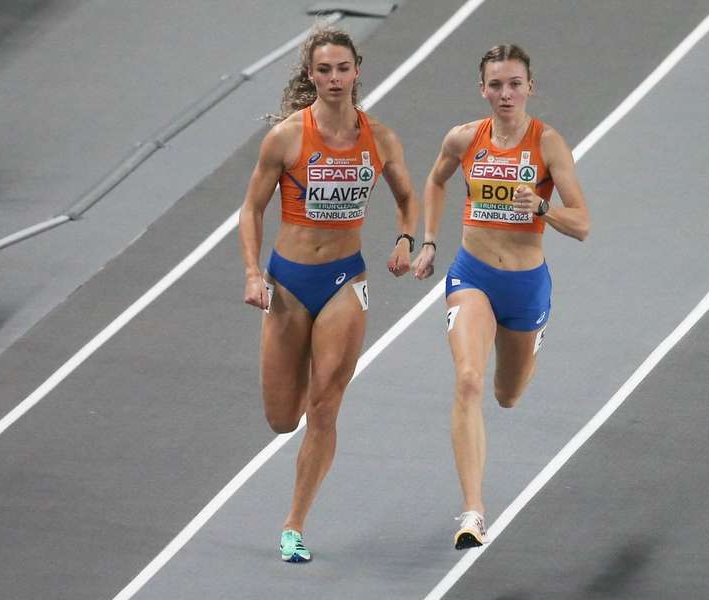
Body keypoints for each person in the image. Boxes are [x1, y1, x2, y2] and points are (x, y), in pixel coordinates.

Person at [239, 25, 418, 563]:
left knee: (325, 405)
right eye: (324, 70)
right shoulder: (288, 137)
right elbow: (251, 208)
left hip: (346, 280)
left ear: (357, 70)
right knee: (281, 418)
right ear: (311, 75)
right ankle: (294, 453)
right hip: (289, 283)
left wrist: (407, 239)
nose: (335, 79)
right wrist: (252, 271)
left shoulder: (379, 137)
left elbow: (408, 199)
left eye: (343, 69)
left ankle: (294, 524)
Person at [410, 44, 590, 550]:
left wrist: (543, 207)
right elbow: (436, 180)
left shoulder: (548, 144)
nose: (505, 93)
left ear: (530, 87)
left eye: (514, 83)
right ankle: (473, 511)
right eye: (496, 84)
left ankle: (532, 339)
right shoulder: (465, 138)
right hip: (472, 276)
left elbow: (582, 224)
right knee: (467, 379)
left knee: (506, 396)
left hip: (526, 284)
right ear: (482, 89)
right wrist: (428, 242)